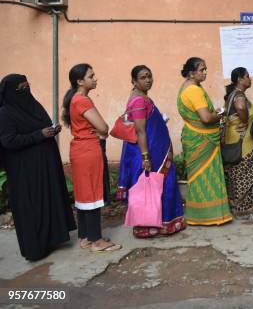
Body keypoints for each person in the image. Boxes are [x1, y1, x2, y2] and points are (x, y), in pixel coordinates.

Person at [0, 74, 76, 261]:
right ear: (10, 92)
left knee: (47, 201)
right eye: (21, 89)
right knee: (32, 207)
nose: (26, 91)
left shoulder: (33, 106)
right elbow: (8, 141)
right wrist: (39, 135)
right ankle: (36, 248)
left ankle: (52, 239)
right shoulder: (5, 113)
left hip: (44, 166)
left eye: (28, 86)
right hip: (24, 171)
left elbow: (41, 127)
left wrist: (50, 130)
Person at [118, 65, 186, 238]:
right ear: (133, 81)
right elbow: (141, 130)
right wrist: (146, 157)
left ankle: (155, 224)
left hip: (155, 148)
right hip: (151, 152)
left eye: (149, 76)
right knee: (158, 185)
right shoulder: (139, 101)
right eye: (142, 77)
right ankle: (159, 224)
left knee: (155, 187)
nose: (148, 80)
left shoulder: (140, 97)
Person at [64, 64, 121, 252]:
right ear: (80, 81)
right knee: (93, 193)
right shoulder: (82, 100)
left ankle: (86, 237)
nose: (95, 79)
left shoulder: (75, 99)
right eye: (91, 76)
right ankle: (97, 240)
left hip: (80, 149)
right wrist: (100, 131)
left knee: (83, 194)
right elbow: (104, 128)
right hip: (88, 150)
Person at [178, 57, 233, 226]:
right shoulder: (193, 90)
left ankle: (200, 214)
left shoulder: (186, 88)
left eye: (205, 69)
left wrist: (213, 113)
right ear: (191, 73)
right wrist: (220, 114)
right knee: (206, 176)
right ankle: (209, 215)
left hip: (195, 136)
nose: (205, 73)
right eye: (201, 70)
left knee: (199, 177)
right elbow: (206, 118)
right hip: (202, 139)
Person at [223, 67, 253, 220]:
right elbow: (241, 107)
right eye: (247, 76)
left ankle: (239, 205)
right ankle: (246, 207)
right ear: (240, 79)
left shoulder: (232, 94)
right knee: (246, 173)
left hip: (234, 140)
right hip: (244, 143)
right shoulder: (239, 95)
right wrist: (245, 120)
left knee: (239, 173)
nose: (250, 79)